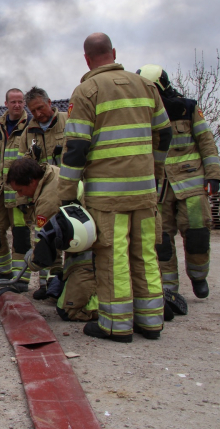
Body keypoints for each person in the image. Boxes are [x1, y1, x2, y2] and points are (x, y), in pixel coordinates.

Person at [58, 32, 172, 343]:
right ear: (114, 53)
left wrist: (66, 194)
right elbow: (165, 132)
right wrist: (155, 171)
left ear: (86, 58)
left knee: (113, 256)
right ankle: (151, 321)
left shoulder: (87, 91)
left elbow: (76, 148)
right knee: (146, 253)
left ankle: (116, 325)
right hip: (145, 192)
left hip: (109, 197)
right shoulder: (147, 86)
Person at [137, 64, 220, 303]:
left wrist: (213, 175)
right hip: (160, 187)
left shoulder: (188, 108)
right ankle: (168, 289)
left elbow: (206, 141)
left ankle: (198, 276)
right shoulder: (143, 115)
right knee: (160, 240)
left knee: (197, 233)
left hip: (191, 182)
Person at [7, 158, 98, 322]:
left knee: (69, 310)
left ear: (32, 181)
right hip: (84, 241)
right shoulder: (51, 173)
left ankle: (112, 307)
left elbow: (43, 247)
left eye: (20, 190)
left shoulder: (48, 200)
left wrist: (31, 260)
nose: (20, 195)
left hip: (91, 252)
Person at [18, 86, 69, 299]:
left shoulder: (69, 121)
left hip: (69, 191)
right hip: (42, 197)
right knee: (44, 236)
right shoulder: (28, 133)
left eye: (40, 108)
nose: (38, 114)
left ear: (49, 103)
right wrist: (22, 198)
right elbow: (21, 168)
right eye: (33, 111)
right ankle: (48, 284)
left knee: (72, 238)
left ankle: (67, 284)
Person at [0, 88, 33, 290]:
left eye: (20, 102)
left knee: (21, 235)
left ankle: (21, 279)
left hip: (20, 192)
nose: (17, 105)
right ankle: (2, 273)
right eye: (13, 102)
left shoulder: (31, 126)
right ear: (6, 104)